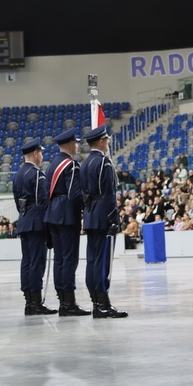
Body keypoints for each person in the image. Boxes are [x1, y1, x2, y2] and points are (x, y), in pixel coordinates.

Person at [80, 124, 127, 319]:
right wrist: (113, 219)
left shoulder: (84, 163)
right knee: (103, 261)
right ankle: (103, 304)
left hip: (90, 213)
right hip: (102, 215)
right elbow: (109, 194)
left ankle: (95, 300)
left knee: (92, 260)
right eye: (106, 139)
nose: (108, 142)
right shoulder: (104, 163)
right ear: (101, 141)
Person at [44, 128, 89, 316]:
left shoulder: (52, 165)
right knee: (69, 259)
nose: (77, 145)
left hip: (53, 213)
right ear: (70, 144)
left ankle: (62, 299)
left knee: (60, 259)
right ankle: (69, 303)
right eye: (76, 143)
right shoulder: (71, 165)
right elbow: (74, 192)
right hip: (67, 214)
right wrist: (87, 208)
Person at [13, 138, 54, 315]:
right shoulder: (37, 174)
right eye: (41, 153)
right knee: (37, 262)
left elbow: (17, 200)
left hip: (24, 219)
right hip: (36, 221)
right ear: (35, 153)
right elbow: (43, 200)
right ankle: (36, 302)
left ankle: (29, 300)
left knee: (27, 261)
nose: (42, 156)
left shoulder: (19, 174)